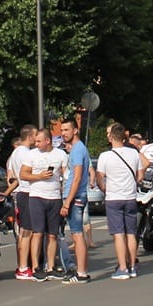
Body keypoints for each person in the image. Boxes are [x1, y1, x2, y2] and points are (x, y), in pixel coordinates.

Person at [96, 122, 141, 279]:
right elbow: (140, 175)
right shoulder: (134, 153)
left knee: (118, 234)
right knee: (131, 233)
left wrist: (105, 189)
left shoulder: (105, 156)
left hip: (113, 197)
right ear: (124, 137)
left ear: (110, 137)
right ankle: (133, 266)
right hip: (130, 197)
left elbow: (99, 178)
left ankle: (122, 268)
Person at [21, 126, 67, 280]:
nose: (36, 144)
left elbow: (66, 173)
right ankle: (36, 267)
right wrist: (39, 176)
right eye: (35, 141)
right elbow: (23, 174)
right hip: (37, 197)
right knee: (37, 233)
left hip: (54, 197)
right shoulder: (31, 155)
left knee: (52, 234)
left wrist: (65, 185)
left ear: (48, 141)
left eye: (39, 141)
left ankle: (50, 266)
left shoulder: (60, 154)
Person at [59, 119, 92, 283]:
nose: (63, 133)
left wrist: (67, 202)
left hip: (76, 197)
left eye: (66, 130)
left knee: (77, 235)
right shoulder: (77, 149)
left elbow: (77, 177)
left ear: (75, 130)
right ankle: (81, 271)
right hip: (76, 196)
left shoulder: (78, 149)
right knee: (76, 234)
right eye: (62, 130)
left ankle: (81, 273)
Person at [6, 127, 35, 278]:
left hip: (20, 192)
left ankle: (24, 265)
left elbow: (11, 175)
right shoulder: (26, 153)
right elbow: (27, 174)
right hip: (26, 192)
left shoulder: (15, 153)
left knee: (24, 231)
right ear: (29, 137)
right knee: (27, 231)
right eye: (35, 136)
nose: (37, 139)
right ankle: (24, 267)